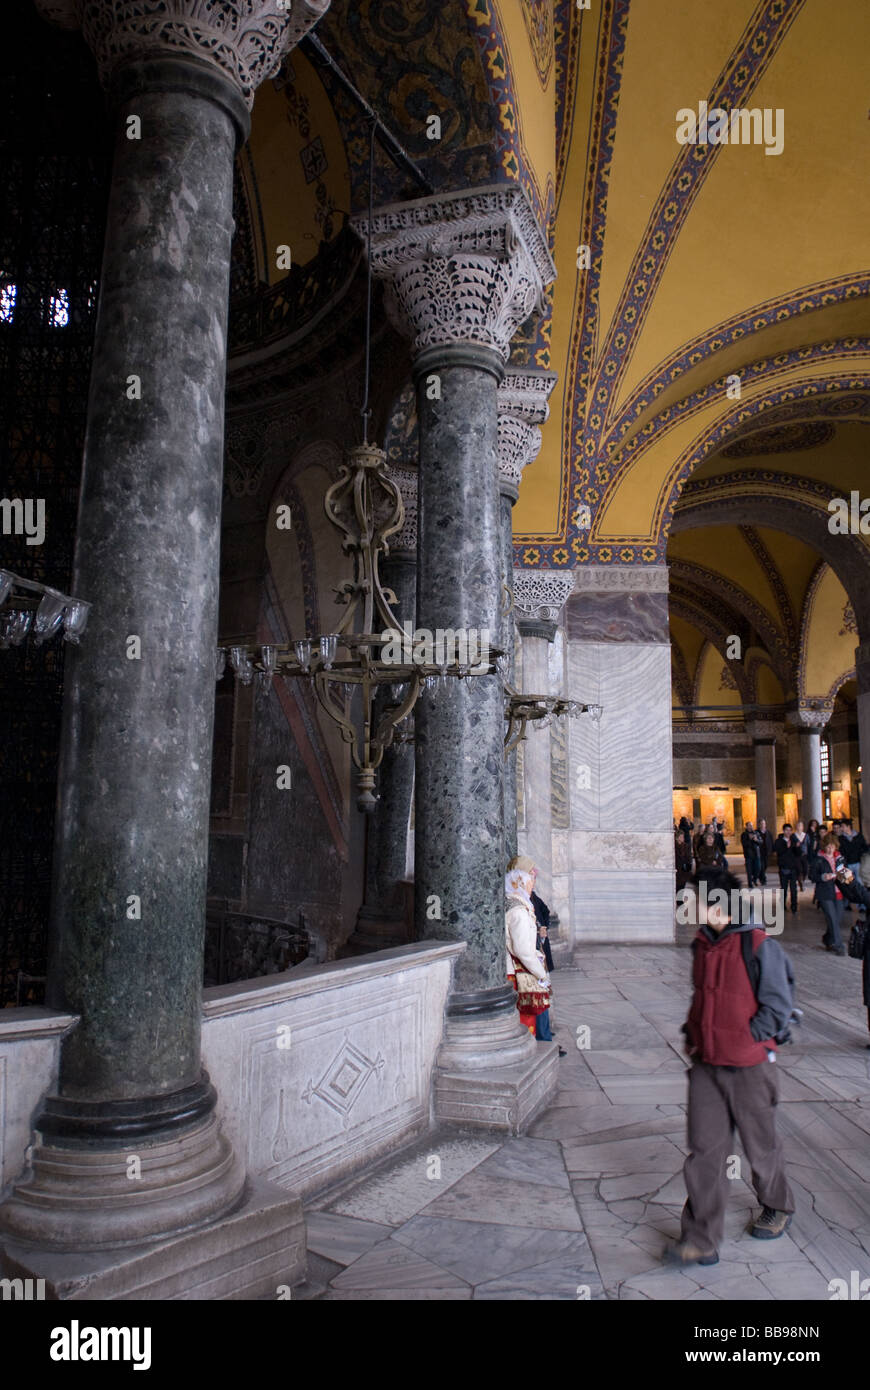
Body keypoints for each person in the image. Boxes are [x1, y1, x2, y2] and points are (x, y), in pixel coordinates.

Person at [667, 870, 795, 1266]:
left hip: (749, 1067)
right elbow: (700, 995)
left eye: (694, 900)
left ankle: (777, 1204)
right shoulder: (702, 944)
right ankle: (701, 1239)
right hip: (707, 1065)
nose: (687, 906)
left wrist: (748, 1037)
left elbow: (779, 1005)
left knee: (760, 1146)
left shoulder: (759, 946)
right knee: (704, 1151)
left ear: (717, 905)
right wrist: (693, 1033)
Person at [505, 855, 565, 1054]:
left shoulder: (519, 904)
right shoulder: (518, 911)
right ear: (520, 881)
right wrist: (541, 974)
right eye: (531, 878)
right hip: (523, 972)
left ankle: (542, 1043)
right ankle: (536, 1049)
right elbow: (523, 950)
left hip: (524, 968)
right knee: (529, 1016)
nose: (533, 883)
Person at [809, 834, 846, 955]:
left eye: (832, 847)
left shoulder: (840, 858)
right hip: (825, 893)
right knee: (832, 918)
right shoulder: (819, 859)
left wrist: (845, 877)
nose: (830, 849)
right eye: (828, 847)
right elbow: (812, 876)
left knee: (837, 919)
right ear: (824, 846)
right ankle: (838, 945)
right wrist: (823, 877)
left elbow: (845, 874)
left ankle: (827, 938)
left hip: (839, 892)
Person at [774, 823, 799, 914]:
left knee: (793, 889)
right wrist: (787, 847)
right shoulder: (778, 841)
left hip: (793, 868)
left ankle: (794, 906)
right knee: (783, 888)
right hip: (783, 868)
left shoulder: (794, 840)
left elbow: (798, 853)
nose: (788, 832)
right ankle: (782, 905)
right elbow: (778, 852)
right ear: (783, 831)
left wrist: (796, 846)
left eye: (790, 830)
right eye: (786, 830)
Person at [741, 821, 762, 888]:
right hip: (748, 855)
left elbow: (761, 842)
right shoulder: (744, 834)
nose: (751, 826)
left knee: (758, 868)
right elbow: (744, 844)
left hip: (756, 854)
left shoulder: (756, 833)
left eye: (752, 825)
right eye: (749, 825)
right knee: (749, 870)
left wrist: (756, 840)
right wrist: (750, 839)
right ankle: (750, 883)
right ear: (746, 826)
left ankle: (754, 879)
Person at [791, 821, 809, 890]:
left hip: (804, 855)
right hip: (796, 856)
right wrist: (795, 845)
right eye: (798, 826)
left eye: (801, 826)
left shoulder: (806, 835)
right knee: (799, 870)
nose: (799, 827)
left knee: (806, 869)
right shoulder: (793, 836)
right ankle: (801, 884)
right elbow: (791, 846)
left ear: (803, 827)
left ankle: (802, 881)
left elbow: (808, 845)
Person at [757, 819, 774, 885]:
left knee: (766, 865)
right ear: (759, 825)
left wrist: (772, 850)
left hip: (766, 852)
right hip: (759, 852)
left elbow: (771, 841)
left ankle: (761, 876)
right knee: (762, 866)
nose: (763, 825)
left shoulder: (768, 832)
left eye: (764, 823)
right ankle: (763, 879)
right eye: (761, 823)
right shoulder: (757, 832)